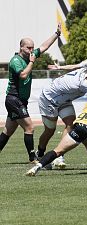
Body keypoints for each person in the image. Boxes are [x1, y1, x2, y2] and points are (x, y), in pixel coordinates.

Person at [0, 23, 61, 163]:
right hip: (14, 99)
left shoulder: (30, 55)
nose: (31, 50)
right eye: (28, 48)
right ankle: (32, 158)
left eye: (33, 47)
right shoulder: (16, 60)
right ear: (21, 47)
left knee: (8, 131)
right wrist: (32, 62)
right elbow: (23, 75)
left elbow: (44, 46)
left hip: (20, 100)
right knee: (30, 127)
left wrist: (56, 34)